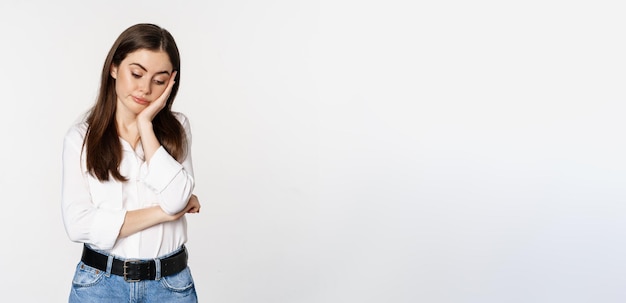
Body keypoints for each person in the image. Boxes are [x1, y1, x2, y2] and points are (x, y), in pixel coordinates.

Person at [62, 23, 200, 302]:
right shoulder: (80, 139)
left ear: (171, 83)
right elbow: (78, 225)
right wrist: (164, 214)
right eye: (136, 73)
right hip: (99, 286)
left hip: (170, 287)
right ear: (114, 67)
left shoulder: (178, 129)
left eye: (159, 80)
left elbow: (175, 199)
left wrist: (146, 125)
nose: (145, 88)